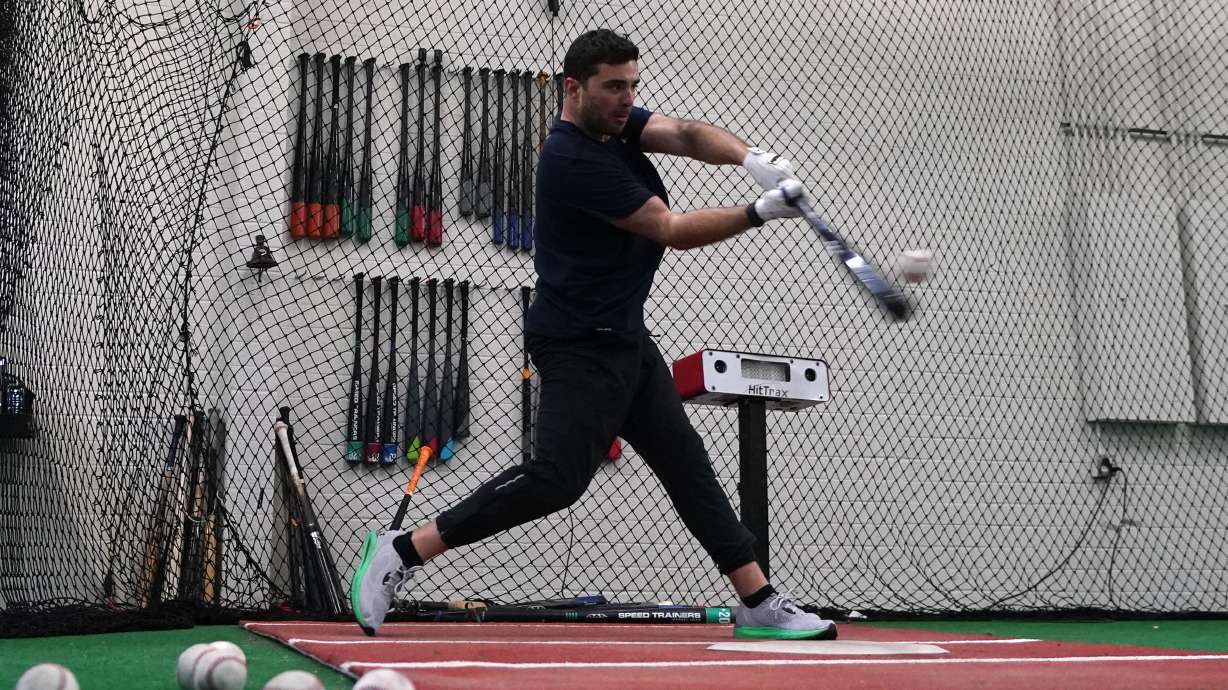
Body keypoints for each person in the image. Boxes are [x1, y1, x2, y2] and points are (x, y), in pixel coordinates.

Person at [351, 28, 836, 641]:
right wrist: (757, 213)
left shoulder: (616, 123)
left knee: (687, 467)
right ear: (572, 89)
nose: (627, 99)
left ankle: (758, 601)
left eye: (633, 85)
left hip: (625, 338)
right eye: (613, 87)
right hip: (578, 342)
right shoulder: (571, 159)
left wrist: (750, 158)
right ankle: (403, 548)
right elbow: (670, 228)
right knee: (557, 480)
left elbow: (686, 134)